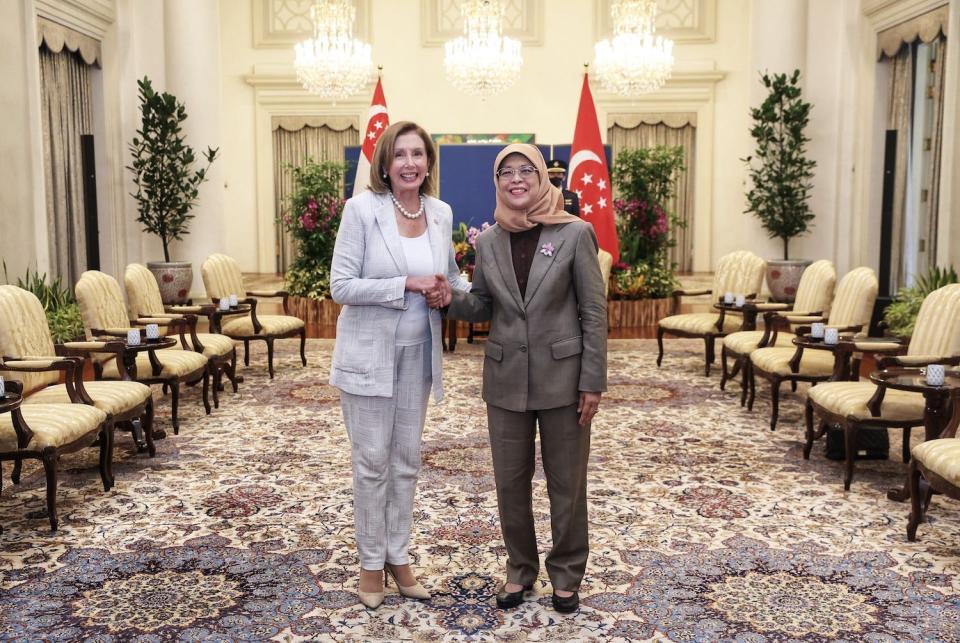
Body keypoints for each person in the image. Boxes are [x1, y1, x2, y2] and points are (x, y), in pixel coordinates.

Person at [435, 144, 607, 614]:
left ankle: (567, 575)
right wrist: (447, 297)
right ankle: (520, 571)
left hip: (565, 379)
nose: (516, 179)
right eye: (506, 172)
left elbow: (593, 311)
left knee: (566, 484)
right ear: (497, 182)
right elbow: (485, 304)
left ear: (541, 178)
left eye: (525, 170)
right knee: (510, 483)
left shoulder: (575, 233)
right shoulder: (489, 241)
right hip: (506, 379)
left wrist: (592, 380)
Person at [329, 121, 470, 609]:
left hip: (418, 358)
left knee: (406, 463)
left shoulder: (440, 212)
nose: (410, 163)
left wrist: (452, 290)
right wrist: (405, 285)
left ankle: (399, 555)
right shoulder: (361, 210)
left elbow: (447, 276)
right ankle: (371, 564)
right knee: (372, 463)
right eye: (400, 155)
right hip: (369, 358)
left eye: (418, 154)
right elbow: (341, 285)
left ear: (429, 162)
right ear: (385, 165)